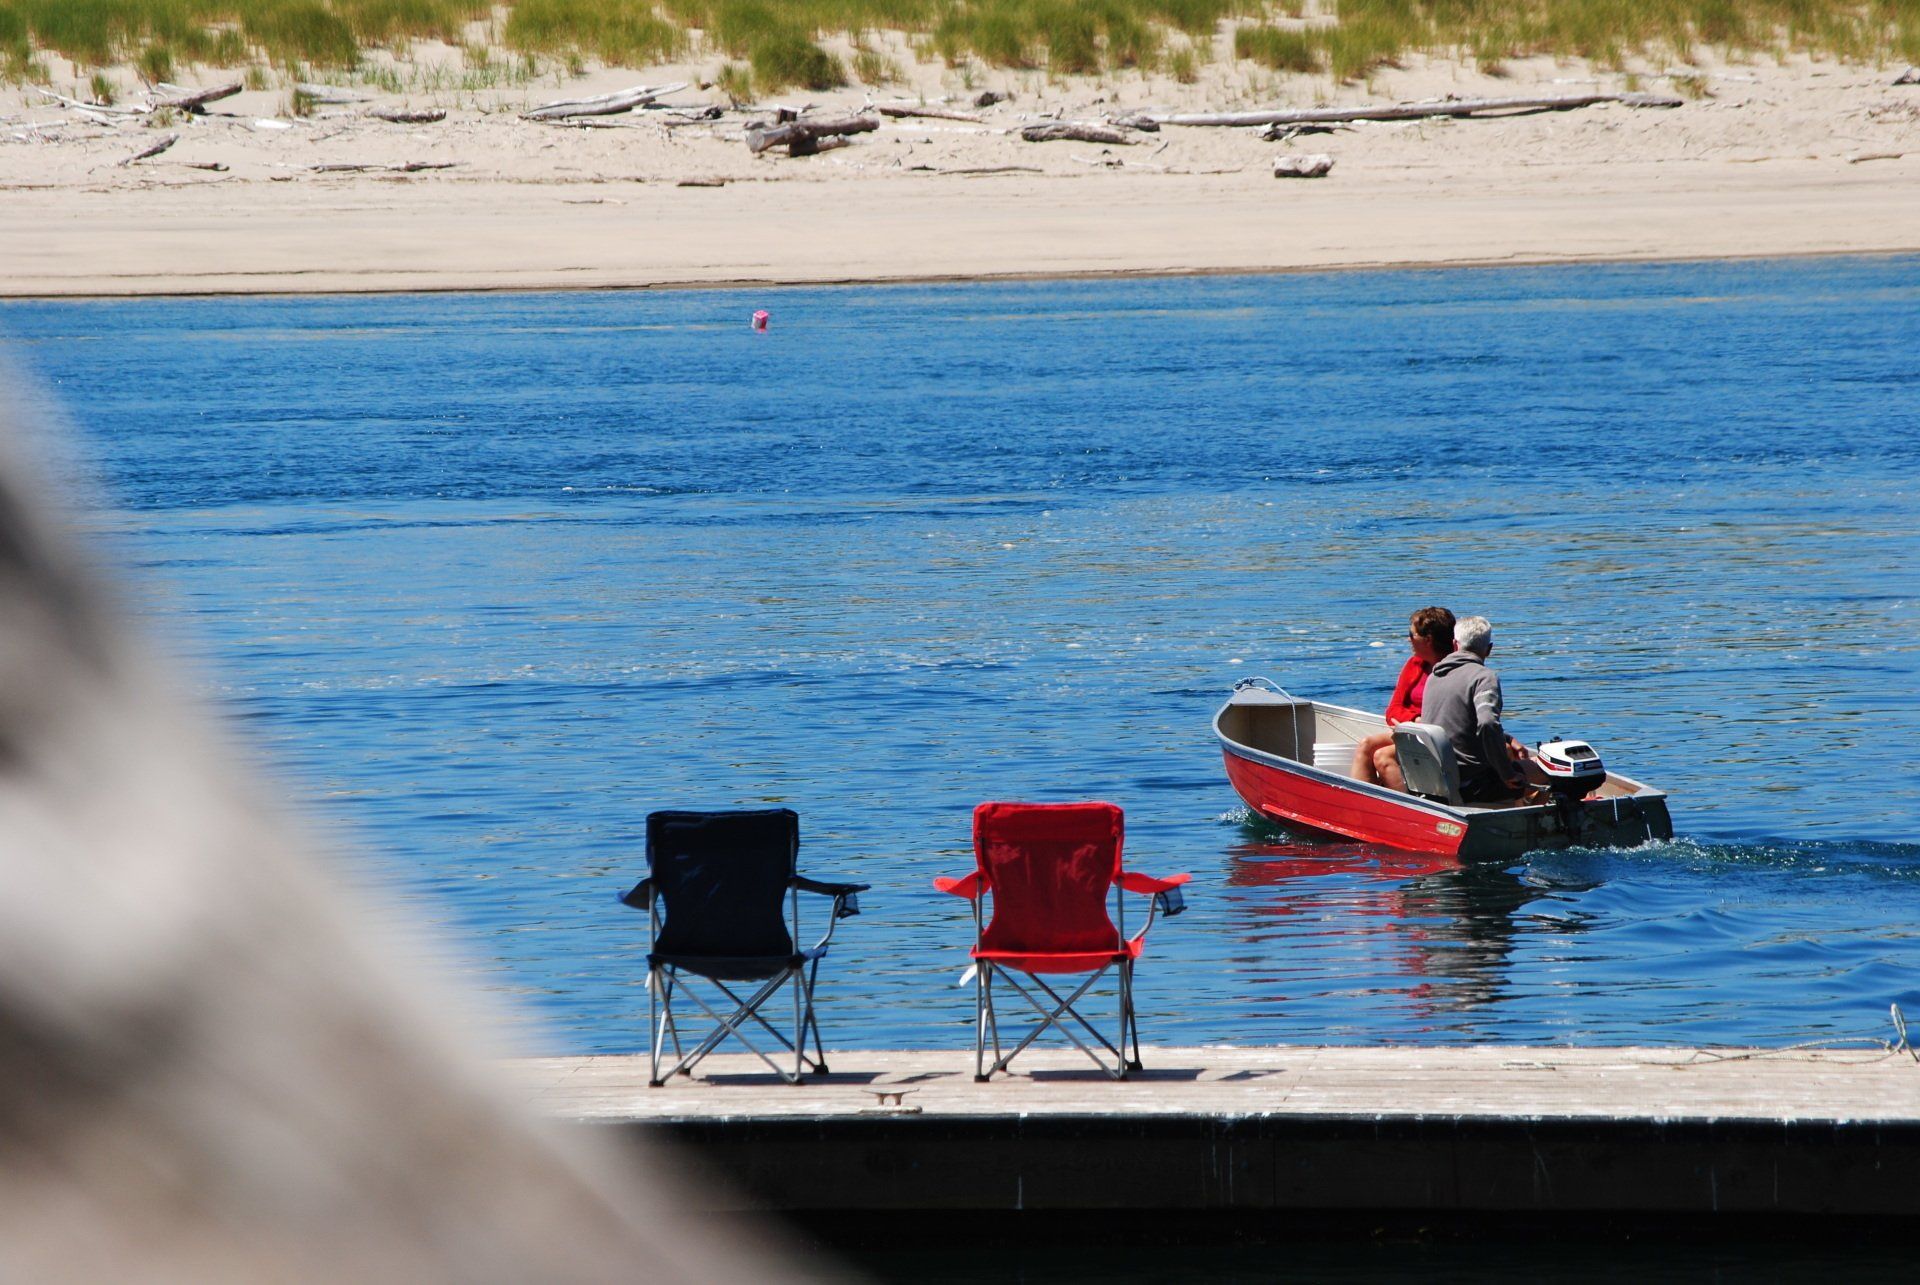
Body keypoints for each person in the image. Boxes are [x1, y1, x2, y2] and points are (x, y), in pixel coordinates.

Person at [1419, 615, 1545, 804]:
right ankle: (1535, 830)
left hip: (1437, 780)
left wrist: (1506, 739)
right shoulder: (1484, 678)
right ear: (1489, 649)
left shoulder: (1434, 677)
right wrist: (1507, 774)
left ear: (1455, 644)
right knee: (1550, 770)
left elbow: (1461, 724)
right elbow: (1487, 723)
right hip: (1473, 785)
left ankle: (1512, 810)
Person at [1349, 606, 1455, 790]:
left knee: (1382, 756)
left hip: (1441, 736)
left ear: (1428, 640)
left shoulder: (1455, 669)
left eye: (1411, 634)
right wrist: (1414, 720)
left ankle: (1411, 808)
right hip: (1410, 729)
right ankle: (1364, 806)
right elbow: (1393, 709)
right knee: (1366, 745)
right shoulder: (1414, 664)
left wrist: (1425, 723)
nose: (1408, 639)